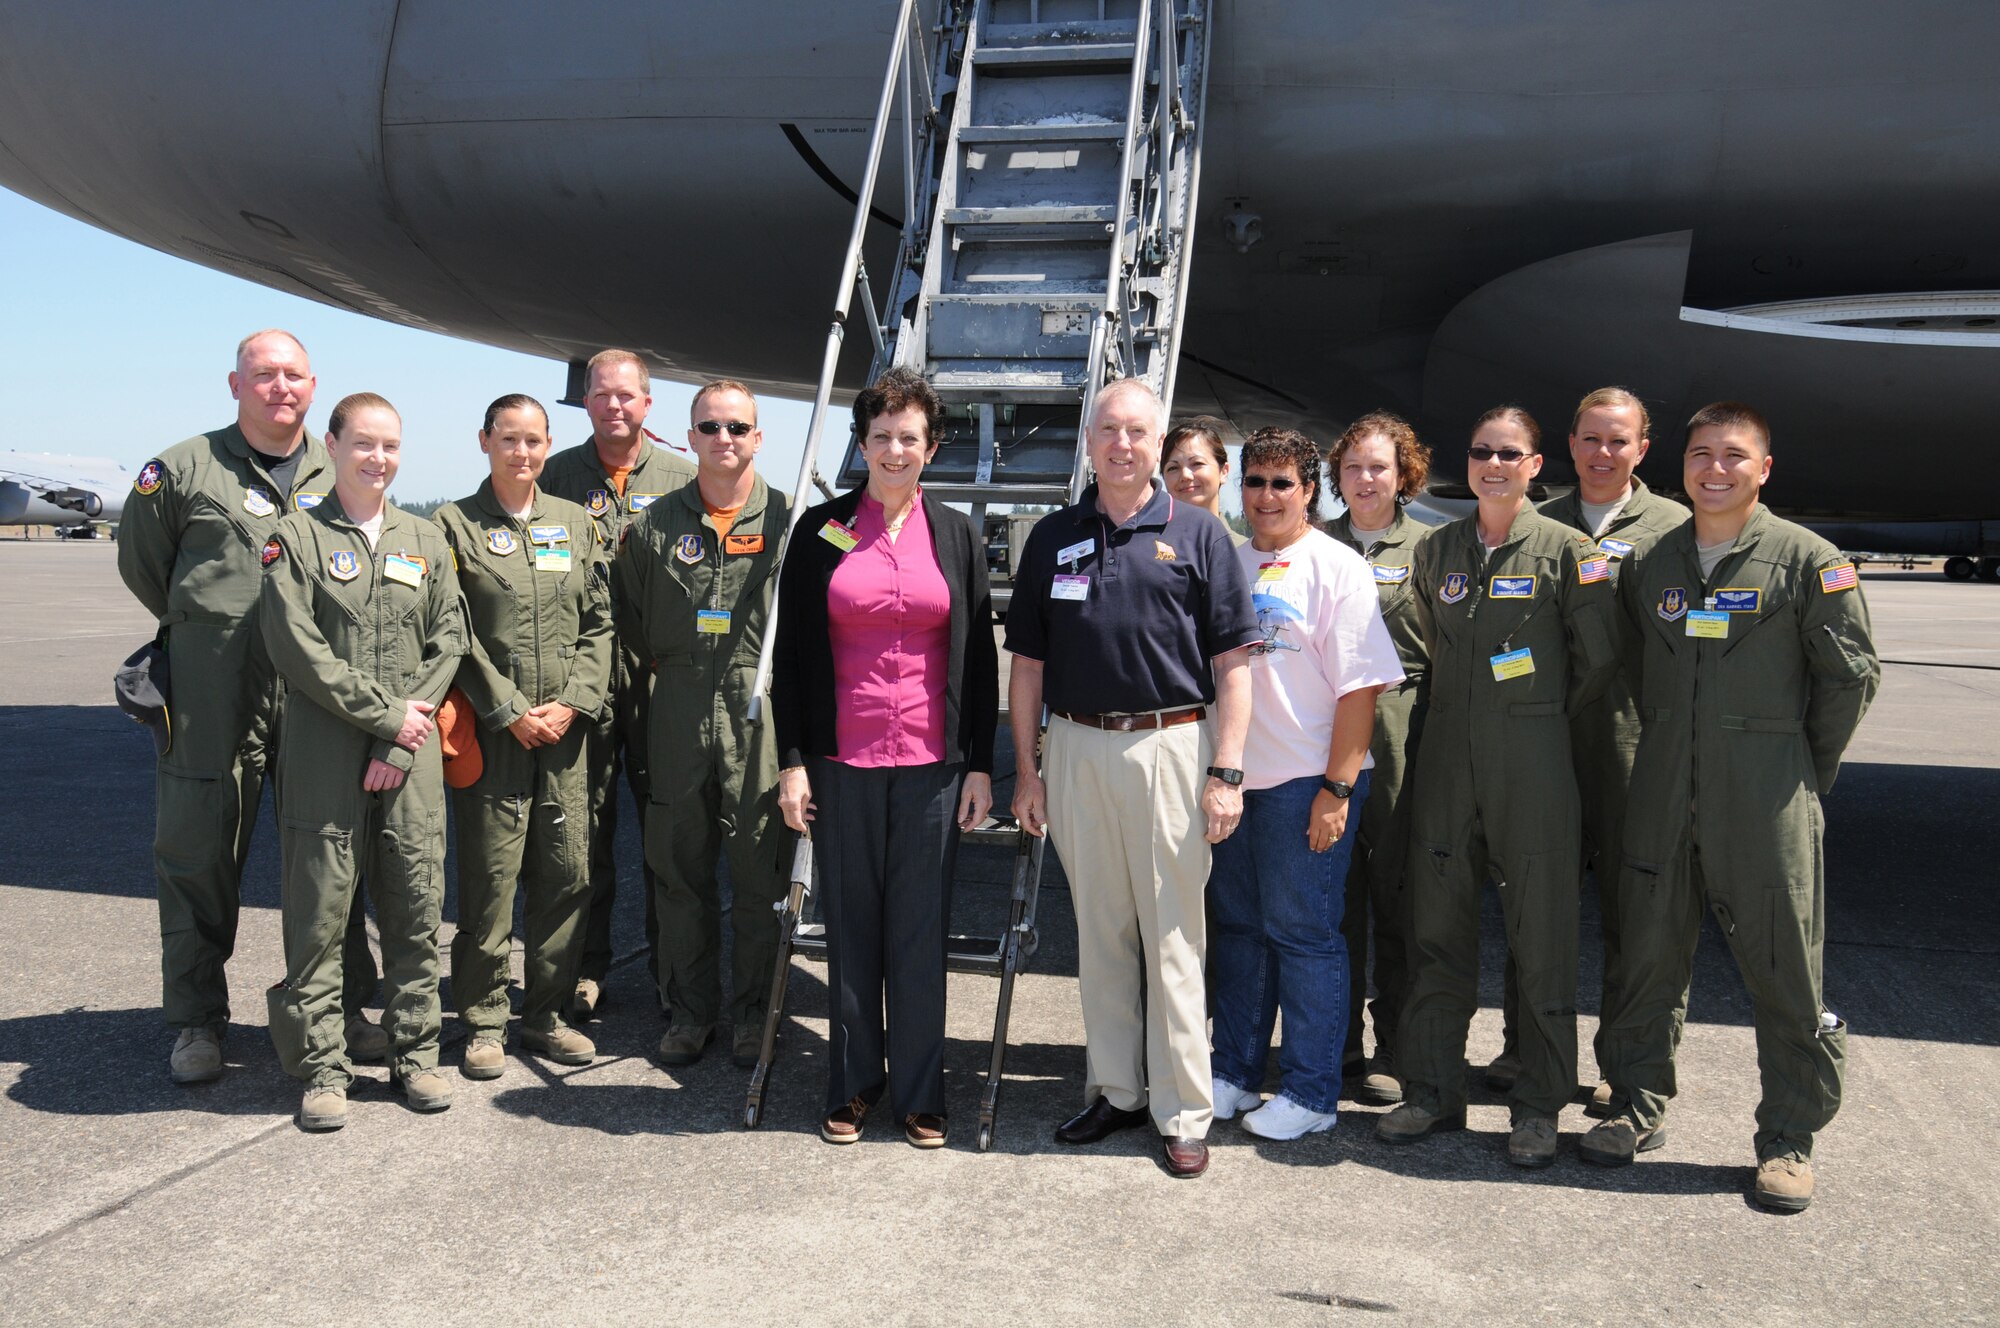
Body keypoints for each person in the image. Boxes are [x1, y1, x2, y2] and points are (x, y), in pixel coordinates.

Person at [1586, 402, 1877, 1212]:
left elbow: (1850, 678)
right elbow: (1638, 665)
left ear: (1765, 469)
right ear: (1681, 465)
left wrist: (1794, 765)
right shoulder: (1653, 560)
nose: (1716, 469)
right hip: (1661, 789)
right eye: (1702, 454)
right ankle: (1636, 1106)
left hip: (1765, 797)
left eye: (1735, 456)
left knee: (1784, 968)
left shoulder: (1809, 561)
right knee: (1646, 954)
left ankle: (1788, 1138)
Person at [1008, 377, 1259, 1179]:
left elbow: (1233, 665)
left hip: (1172, 749)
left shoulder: (1200, 535)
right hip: (1076, 749)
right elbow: (1026, 666)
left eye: (1137, 431)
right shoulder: (1053, 536)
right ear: (1089, 442)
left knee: (1176, 939)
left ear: (1158, 444)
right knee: (1103, 935)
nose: (1122, 444)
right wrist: (1026, 768)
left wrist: (1227, 770)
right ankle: (1117, 1090)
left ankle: (1184, 1112)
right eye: (1108, 430)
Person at [116, 329, 382, 1084]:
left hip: (315, 697)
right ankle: (197, 1022)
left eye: (292, 375)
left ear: (313, 384)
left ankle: (339, 1010)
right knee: (198, 857)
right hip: (214, 698)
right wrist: (211, 634)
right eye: (263, 375)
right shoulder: (180, 469)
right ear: (235, 385)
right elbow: (147, 568)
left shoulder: (345, 469)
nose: (279, 388)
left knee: (332, 862)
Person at [1376, 406, 1617, 1168]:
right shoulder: (1438, 549)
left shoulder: (1570, 552)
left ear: (1536, 464)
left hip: (1534, 763)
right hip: (1448, 758)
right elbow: (1424, 643)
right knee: (1436, 931)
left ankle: (1540, 1104)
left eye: (1510, 453)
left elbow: (1598, 664)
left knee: (1541, 937)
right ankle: (1433, 1090)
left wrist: (1532, 716)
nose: (1494, 464)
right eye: (1482, 451)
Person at [773, 369, 999, 1148]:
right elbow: (794, 659)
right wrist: (793, 760)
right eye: (881, 437)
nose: (896, 450)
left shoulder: (958, 535)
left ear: (931, 447)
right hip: (844, 760)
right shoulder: (823, 530)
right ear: (862, 444)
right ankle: (854, 1082)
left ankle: (920, 1090)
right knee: (853, 930)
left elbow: (979, 661)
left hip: (934, 764)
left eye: (910, 437)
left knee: (919, 930)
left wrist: (978, 765)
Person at [258, 393, 468, 1130]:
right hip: (323, 753)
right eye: (364, 444)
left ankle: (415, 1056)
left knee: (414, 907)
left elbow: (450, 641)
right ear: (333, 444)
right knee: (318, 915)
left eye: (390, 445)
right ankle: (323, 1067)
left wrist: (395, 739)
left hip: (406, 759)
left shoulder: (424, 538)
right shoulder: (295, 539)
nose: (378, 458)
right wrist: (385, 718)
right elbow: (296, 650)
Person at [1209, 428, 1401, 1140]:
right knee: (1239, 933)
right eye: (1254, 482)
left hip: (1303, 784)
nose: (1265, 496)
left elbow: (1360, 690)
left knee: (1305, 935)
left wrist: (1338, 790)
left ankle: (1314, 1094)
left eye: (1281, 483)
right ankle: (1232, 1072)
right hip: (1235, 782)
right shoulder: (1225, 562)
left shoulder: (1337, 567)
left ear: (1310, 490)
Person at [1502, 387, 1689, 1107]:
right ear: (1569, 445)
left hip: (1631, 744)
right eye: (1591, 439)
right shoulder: (1533, 521)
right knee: (1534, 905)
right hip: (1545, 741)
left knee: (1637, 916)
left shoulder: (1671, 528)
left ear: (1643, 449)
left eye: (1619, 441)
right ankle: (1527, 1052)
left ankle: (1628, 1067)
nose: (1603, 453)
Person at [432, 395, 613, 1079]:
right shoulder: (453, 524)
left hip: (565, 735)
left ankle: (546, 1014)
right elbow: (454, 629)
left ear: (547, 444)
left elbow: (600, 620)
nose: (523, 454)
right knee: (489, 881)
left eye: (534, 441)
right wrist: (506, 708)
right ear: (485, 441)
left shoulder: (573, 523)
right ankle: (482, 1021)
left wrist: (576, 701)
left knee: (567, 875)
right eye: (509, 440)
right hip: (497, 733)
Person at [613, 379, 790, 1071]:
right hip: (679, 702)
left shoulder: (789, 519)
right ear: (688, 438)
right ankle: (689, 1013)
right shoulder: (654, 527)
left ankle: (751, 1015)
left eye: (737, 427)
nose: (724, 439)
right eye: (710, 427)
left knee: (757, 872)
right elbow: (630, 614)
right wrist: (676, 669)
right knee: (677, 870)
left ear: (757, 437)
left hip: (757, 709)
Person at [542, 348, 696, 1020]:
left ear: (648, 403)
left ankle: (674, 975)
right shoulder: (553, 477)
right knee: (587, 833)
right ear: (586, 402)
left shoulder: (685, 477)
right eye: (600, 395)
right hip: (584, 676)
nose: (613, 406)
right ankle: (587, 969)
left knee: (669, 835)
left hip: (659, 676)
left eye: (626, 396)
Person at [1325, 410, 1434, 1106]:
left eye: (1379, 467)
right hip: (1324, 735)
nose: (1365, 479)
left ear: (1404, 476)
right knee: (1330, 902)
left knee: (1399, 900)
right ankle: (1333, 1044)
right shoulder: (1309, 541)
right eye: (1353, 467)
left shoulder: (1433, 547)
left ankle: (1395, 1044)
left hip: (1401, 737)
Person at [1162, 416, 1243, 543]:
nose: (1185, 475)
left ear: (1223, 471)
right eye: (1173, 468)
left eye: (1197, 463)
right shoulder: (1148, 549)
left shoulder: (1246, 554)